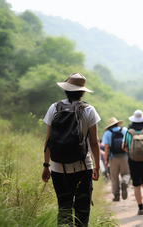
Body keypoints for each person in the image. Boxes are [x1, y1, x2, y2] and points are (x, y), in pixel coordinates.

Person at [42, 73, 101, 227]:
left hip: (58, 168)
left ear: (66, 90)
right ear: (82, 92)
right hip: (82, 167)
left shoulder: (53, 108)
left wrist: (46, 165)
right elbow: (94, 142)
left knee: (64, 209)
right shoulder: (89, 110)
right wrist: (97, 166)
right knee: (82, 211)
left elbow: (48, 140)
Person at [121, 110, 143, 215]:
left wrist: (130, 152)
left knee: (136, 185)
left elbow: (123, 146)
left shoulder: (129, 132)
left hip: (133, 160)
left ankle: (140, 208)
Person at [102, 117, 130, 201]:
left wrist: (106, 159)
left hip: (113, 157)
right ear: (118, 123)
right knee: (125, 174)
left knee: (114, 177)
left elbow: (106, 147)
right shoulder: (124, 130)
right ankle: (124, 182)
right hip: (124, 156)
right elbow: (129, 142)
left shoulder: (107, 132)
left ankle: (116, 196)